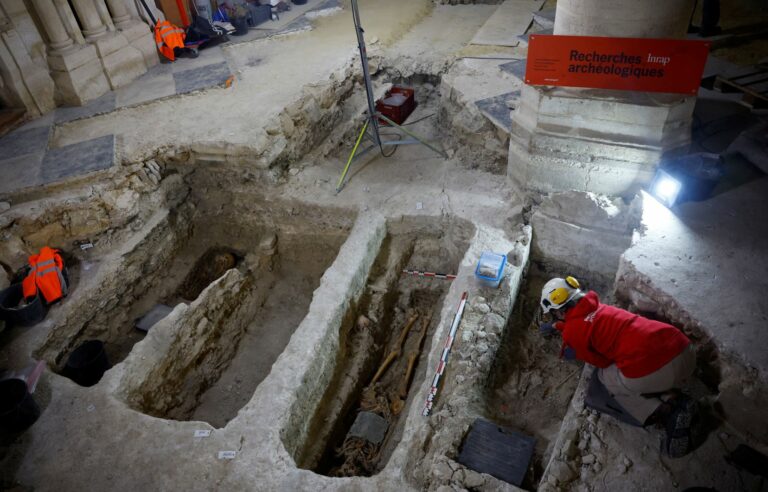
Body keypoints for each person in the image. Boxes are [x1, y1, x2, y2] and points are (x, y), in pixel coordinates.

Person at [539, 276, 698, 457]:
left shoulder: (573, 332)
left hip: (665, 371)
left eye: (554, 313)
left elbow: (602, 361)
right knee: (634, 362)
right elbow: (584, 322)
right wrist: (559, 326)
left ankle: (669, 408)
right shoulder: (597, 305)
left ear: (559, 311)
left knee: (605, 377)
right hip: (684, 350)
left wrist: (568, 340)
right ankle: (667, 391)